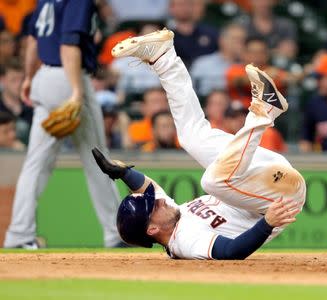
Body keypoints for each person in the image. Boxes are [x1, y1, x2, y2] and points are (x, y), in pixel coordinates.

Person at [98, 28, 305, 259]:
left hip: (256, 178)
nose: (158, 201)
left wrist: (123, 173)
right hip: (277, 200)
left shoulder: (170, 215)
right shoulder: (184, 242)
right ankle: (265, 110)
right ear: (152, 229)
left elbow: (148, 188)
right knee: (212, 181)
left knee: (190, 136)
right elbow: (230, 251)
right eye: (153, 206)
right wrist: (267, 223)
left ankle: (163, 58)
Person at [4, 0, 122, 249]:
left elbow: (33, 41)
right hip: (68, 76)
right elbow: (69, 45)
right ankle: (116, 233)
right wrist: (77, 91)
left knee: (36, 162)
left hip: (44, 76)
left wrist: (29, 76)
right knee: (98, 159)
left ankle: (18, 234)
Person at [226, 37, 301, 108]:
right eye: (253, 52)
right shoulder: (236, 70)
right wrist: (264, 75)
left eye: (261, 52)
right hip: (240, 115)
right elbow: (239, 80)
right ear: (244, 54)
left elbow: (292, 78)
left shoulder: (272, 71)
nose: (257, 56)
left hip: (268, 117)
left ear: (267, 55)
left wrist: (302, 74)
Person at [190, 23, 247, 98]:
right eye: (236, 39)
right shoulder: (202, 64)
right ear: (222, 40)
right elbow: (190, 91)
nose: (240, 43)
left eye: (243, 40)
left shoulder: (249, 66)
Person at [168, 0, 219, 67]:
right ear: (171, 8)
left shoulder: (210, 33)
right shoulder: (165, 37)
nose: (184, 8)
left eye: (187, 4)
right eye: (180, 5)